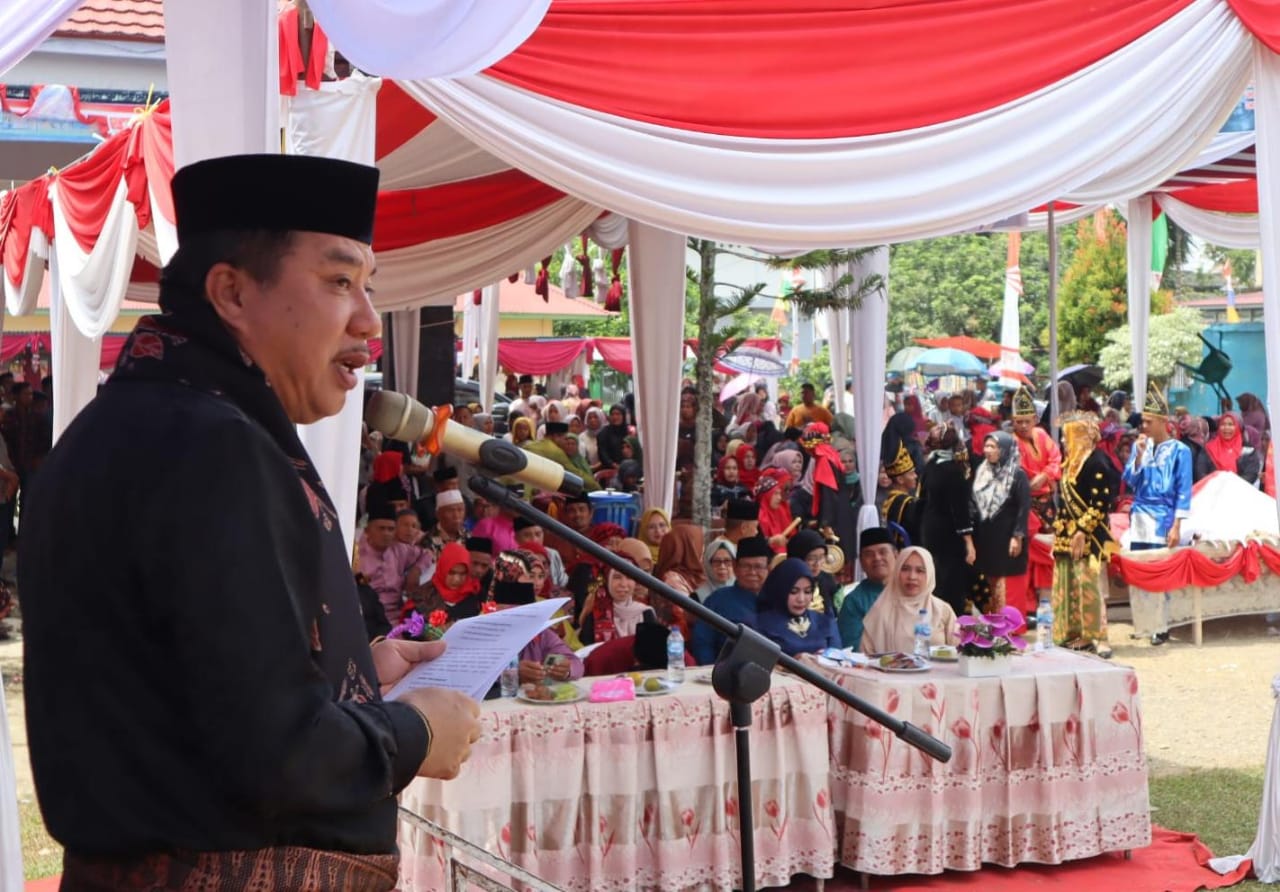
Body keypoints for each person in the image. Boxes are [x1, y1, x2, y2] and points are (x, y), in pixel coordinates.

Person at [19, 154, 481, 885]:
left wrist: (354, 674)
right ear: (230, 291)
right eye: (338, 282)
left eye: (369, 286)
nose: (367, 320)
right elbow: (271, 754)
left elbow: (193, 695)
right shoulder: (215, 448)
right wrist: (414, 733)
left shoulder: (121, 428)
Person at [1124, 384, 1193, 645]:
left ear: (1163, 421)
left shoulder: (1180, 451)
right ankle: (1143, 622)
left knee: (1160, 570)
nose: (1144, 426)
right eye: (1143, 421)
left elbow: (1183, 491)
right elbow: (1129, 480)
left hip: (1163, 515)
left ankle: (1161, 626)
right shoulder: (1140, 446)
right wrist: (1139, 457)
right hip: (1140, 511)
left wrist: (1176, 525)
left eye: (1148, 421)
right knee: (1141, 568)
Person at [1052, 413, 1117, 656]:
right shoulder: (1070, 461)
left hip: (1090, 536)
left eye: (1067, 436)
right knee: (1070, 585)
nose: (1064, 442)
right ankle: (1074, 632)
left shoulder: (1097, 461)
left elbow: (1101, 503)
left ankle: (1098, 637)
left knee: (1090, 586)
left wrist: (1082, 530)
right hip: (1066, 534)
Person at [918, 425, 978, 616]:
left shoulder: (930, 464)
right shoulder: (953, 471)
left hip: (929, 529)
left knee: (935, 578)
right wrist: (969, 542)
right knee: (951, 581)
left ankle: (935, 620)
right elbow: (960, 510)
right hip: (948, 534)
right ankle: (952, 623)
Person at [970, 431, 1031, 613]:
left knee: (1007, 582)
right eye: (986, 446)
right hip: (987, 537)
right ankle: (993, 624)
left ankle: (1010, 627)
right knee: (989, 579)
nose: (988, 450)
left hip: (1007, 537)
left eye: (993, 447)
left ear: (1004, 450)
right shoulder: (982, 472)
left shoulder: (1017, 475)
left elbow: (1023, 507)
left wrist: (1017, 536)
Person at [859, 547, 959, 654]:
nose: (912, 577)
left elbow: (960, 653)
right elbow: (865, 660)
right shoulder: (880, 611)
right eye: (905, 569)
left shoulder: (942, 610)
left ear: (930, 574)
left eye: (920, 571)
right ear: (897, 571)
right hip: (888, 670)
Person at [691, 535, 772, 664]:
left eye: (758, 566)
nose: (752, 572)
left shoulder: (776, 600)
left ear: (768, 568)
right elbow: (703, 644)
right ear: (735, 567)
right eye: (746, 566)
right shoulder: (717, 600)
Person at [360, 502, 434, 624]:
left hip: (397, 616)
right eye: (381, 529)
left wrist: (415, 571)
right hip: (367, 618)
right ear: (367, 531)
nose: (386, 534)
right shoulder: (356, 555)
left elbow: (427, 555)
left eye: (390, 529)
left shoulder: (399, 550)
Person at [755, 558, 841, 657]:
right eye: (794, 592)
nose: (801, 599)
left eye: (807, 591)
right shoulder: (760, 625)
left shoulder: (825, 621)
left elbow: (838, 659)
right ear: (780, 590)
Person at [799, 422, 857, 556]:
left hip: (835, 518)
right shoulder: (832, 456)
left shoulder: (824, 461)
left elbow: (828, 495)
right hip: (843, 512)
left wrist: (826, 524)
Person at [836, 527, 897, 649]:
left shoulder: (911, 591)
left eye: (883, 552)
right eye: (869, 554)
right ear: (862, 563)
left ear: (896, 556)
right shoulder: (854, 601)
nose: (877, 558)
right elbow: (852, 648)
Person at [1011, 386, 1062, 528]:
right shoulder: (1012, 442)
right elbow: (1021, 471)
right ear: (1013, 421)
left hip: (1047, 501)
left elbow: (1056, 457)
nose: (1024, 426)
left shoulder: (1041, 433)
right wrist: (1046, 476)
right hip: (1025, 502)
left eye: (1027, 421)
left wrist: (1045, 475)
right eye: (1019, 422)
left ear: (1035, 419)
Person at [580, 554, 656, 645]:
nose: (623, 584)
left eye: (629, 577)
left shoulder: (645, 613)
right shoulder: (595, 616)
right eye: (617, 577)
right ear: (607, 580)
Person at [412, 541, 484, 623]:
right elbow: (408, 629)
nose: (457, 579)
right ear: (443, 569)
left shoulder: (472, 596)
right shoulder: (424, 595)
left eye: (462, 574)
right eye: (451, 573)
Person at [787, 528, 837, 617]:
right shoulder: (784, 583)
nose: (817, 564)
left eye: (821, 557)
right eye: (811, 558)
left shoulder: (827, 580)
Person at [880, 442, 922, 548]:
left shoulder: (891, 499)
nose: (915, 476)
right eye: (911, 473)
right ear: (900, 479)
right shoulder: (908, 504)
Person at [754, 468, 794, 550]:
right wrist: (771, 541)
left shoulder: (776, 512)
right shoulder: (759, 517)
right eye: (775, 493)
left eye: (779, 493)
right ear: (766, 496)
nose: (779, 497)